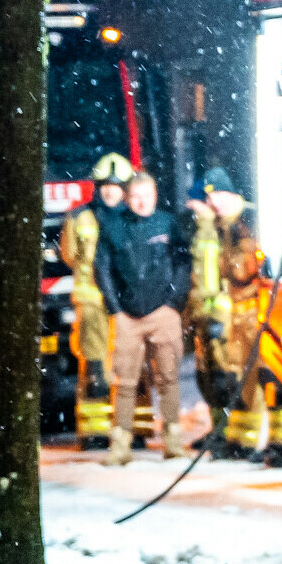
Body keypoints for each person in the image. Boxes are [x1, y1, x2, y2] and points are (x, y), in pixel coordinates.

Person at [94, 171, 192, 465]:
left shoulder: (168, 223)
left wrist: (174, 303)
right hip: (127, 317)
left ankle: (173, 442)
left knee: (168, 377)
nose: (141, 202)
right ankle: (120, 445)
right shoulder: (113, 227)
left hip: (163, 312)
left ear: (155, 196)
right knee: (124, 382)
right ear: (127, 198)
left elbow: (183, 264)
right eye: (135, 196)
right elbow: (103, 270)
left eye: (146, 196)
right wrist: (116, 311)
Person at [189, 168, 264, 455]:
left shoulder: (249, 221)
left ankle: (247, 440)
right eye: (210, 196)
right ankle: (238, 440)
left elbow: (242, 270)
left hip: (250, 310)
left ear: (231, 193)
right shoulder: (220, 227)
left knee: (251, 378)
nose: (213, 201)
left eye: (217, 194)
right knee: (232, 379)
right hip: (231, 313)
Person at [62, 152, 131, 448]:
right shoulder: (79, 217)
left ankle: (134, 429)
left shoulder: (133, 219)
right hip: (92, 302)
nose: (109, 190)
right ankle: (94, 432)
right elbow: (69, 255)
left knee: (131, 366)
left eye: (115, 186)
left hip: (127, 303)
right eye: (104, 184)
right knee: (94, 367)